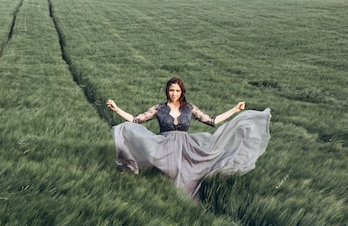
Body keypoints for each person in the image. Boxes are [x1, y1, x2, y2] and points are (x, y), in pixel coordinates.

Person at [107, 77, 271, 196]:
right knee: (168, 174)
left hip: (186, 148)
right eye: (171, 90)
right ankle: (165, 197)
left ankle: (183, 202)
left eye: (177, 90)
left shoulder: (189, 108)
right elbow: (137, 120)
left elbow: (212, 121)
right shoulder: (159, 108)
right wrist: (117, 109)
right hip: (165, 146)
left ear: (182, 92)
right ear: (167, 91)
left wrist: (234, 110)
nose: (174, 93)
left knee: (187, 178)